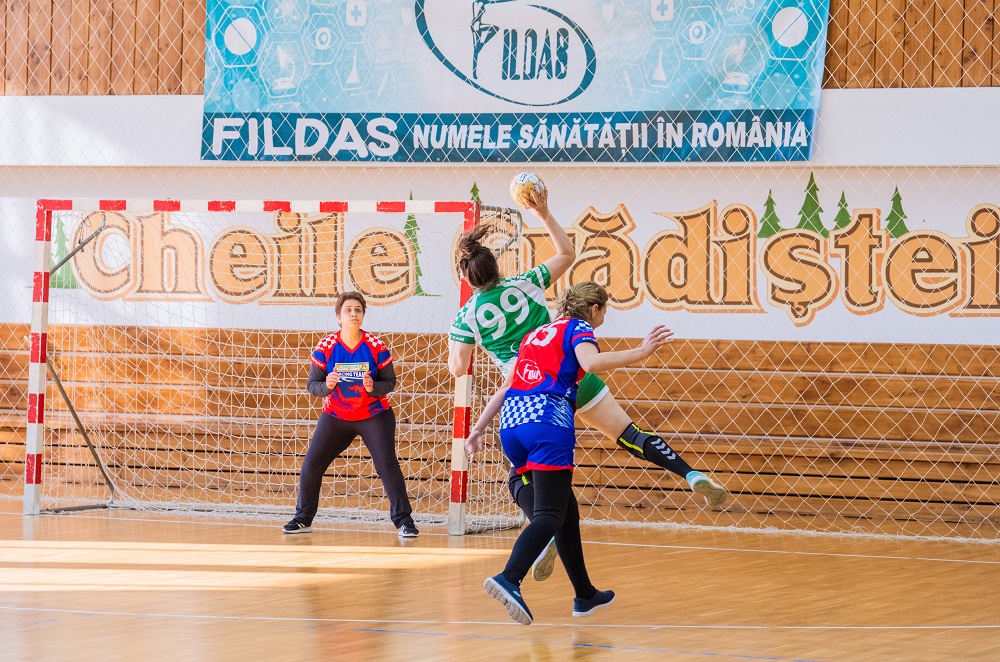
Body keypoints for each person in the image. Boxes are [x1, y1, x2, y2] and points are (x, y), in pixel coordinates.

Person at [448, 186, 727, 580]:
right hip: (572, 371)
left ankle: (540, 531)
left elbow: (458, 368)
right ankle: (689, 473)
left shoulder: (466, 317)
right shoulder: (527, 284)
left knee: (524, 471)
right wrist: (543, 212)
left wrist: (463, 346)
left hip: (526, 391)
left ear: (466, 275)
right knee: (629, 433)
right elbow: (566, 254)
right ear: (496, 264)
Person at [477, 281, 675, 625]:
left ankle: (584, 594)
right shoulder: (578, 326)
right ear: (594, 309)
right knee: (550, 515)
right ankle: (509, 578)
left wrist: (479, 427)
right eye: (604, 312)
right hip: (547, 422)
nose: (602, 319)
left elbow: (508, 386)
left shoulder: (535, 335)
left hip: (511, 424)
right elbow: (592, 361)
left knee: (566, 512)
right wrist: (641, 352)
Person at [283, 292, 419, 538]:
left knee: (387, 465)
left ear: (363, 315)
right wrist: (328, 386)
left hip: (374, 415)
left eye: (358, 310)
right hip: (336, 416)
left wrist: (373, 388)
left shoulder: (376, 346)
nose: (353, 314)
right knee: (312, 464)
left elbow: (390, 381)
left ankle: (404, 521)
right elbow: (312, 385)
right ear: (339, 316)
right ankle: (303, 518)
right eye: (348, 310)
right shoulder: (326, 346)